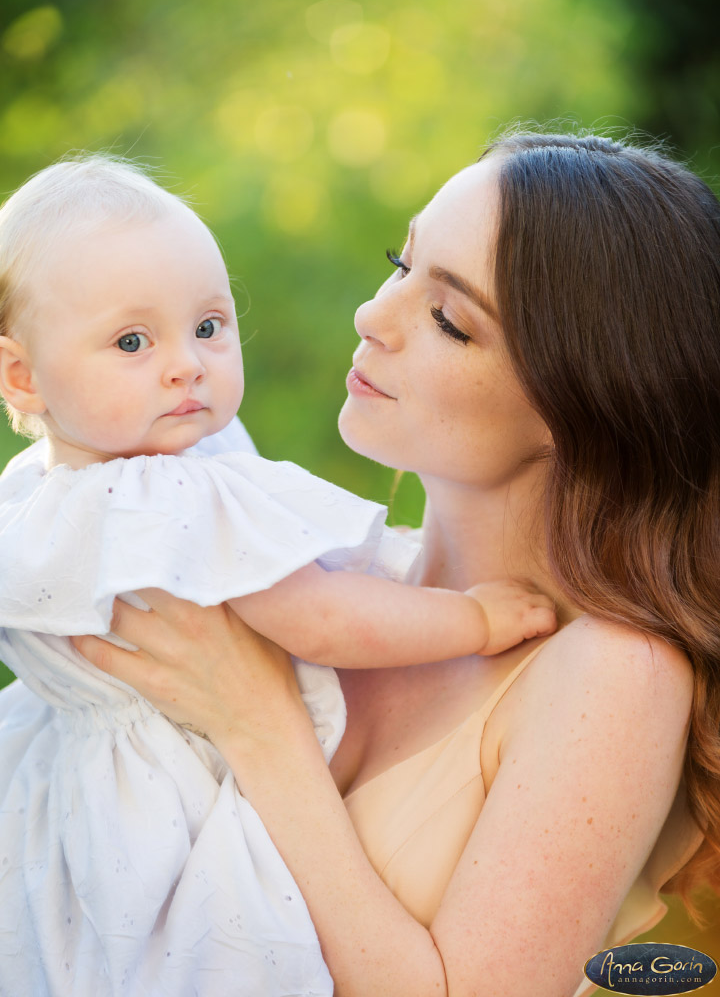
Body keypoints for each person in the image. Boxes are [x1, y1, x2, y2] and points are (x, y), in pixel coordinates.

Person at [74, 131, 720, 997]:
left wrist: (261, 729)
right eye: (399, 264)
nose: (373, 316)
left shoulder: (613, 670)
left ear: (580, 403)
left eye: (449, 319)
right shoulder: (331, 581)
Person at [0, 156, 557, 997]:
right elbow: (323, 618)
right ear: (22, 377)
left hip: (63, 812)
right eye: (131, 342)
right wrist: (475, 619)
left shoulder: (37, 496)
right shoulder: (164, 493)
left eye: (209, 326)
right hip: (172, 806)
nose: (185, 365)